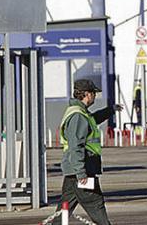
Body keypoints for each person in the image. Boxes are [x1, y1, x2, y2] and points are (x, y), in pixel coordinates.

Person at [58, 79, 122, 225]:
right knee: (95, 203)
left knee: (63, 210)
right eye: (94, 93)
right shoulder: (78, 116)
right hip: (82, 170)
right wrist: (81, 174)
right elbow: (76, 147)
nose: (95, 96)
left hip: (74, 171)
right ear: (87, 94)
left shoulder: (81, 113)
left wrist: (110, 110)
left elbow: (94, 119)